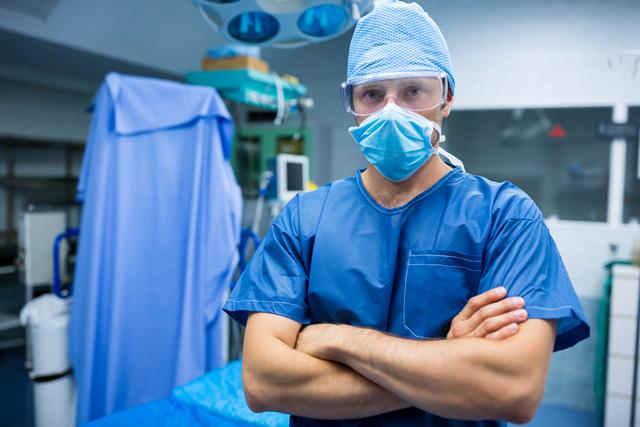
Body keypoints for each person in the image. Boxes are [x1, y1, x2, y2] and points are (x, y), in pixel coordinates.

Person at [223, 1, 590, 425]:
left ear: (446, 97)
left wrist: (335, 339)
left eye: (414, 91)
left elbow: (513, 390)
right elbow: (264, 383)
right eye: (372, 94)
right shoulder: (304, 218)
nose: (391, 110)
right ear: (352, 102)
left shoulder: (504, 217)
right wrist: (449, 362)